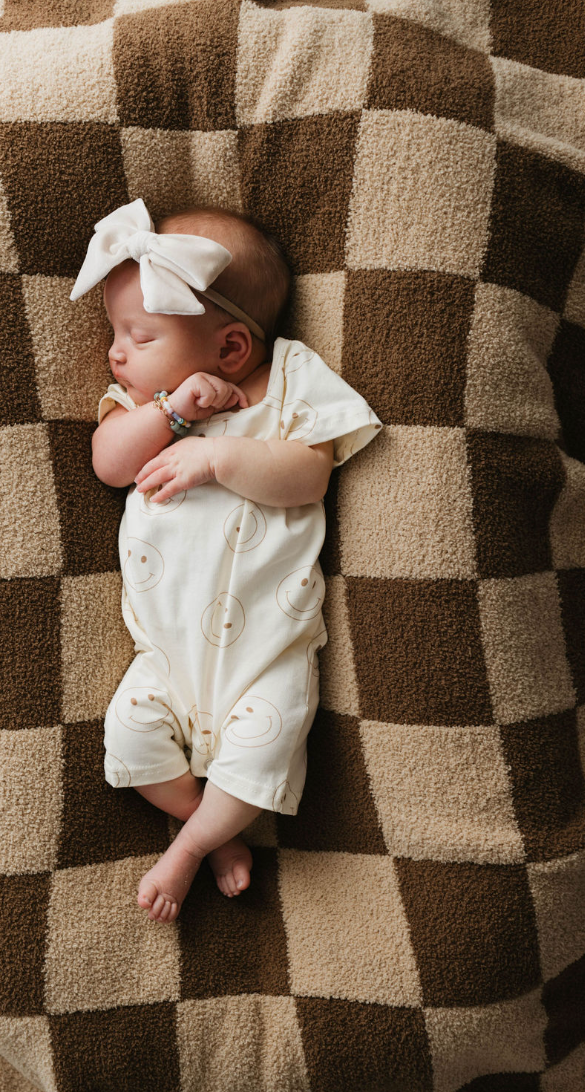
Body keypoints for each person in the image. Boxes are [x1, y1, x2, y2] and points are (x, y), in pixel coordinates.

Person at [75, 198, 383, 924]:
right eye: (117, 334)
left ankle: (187, 848)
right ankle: (210, 831)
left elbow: (309, 476)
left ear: (233, 348)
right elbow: (109, 466)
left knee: (269, 741)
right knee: (128, 731)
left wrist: (218, 455)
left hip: (268, 648)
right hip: (166, 653)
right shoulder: (144, 404)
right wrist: (174, 413)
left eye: (138, 334)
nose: (116, 352)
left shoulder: (286, 383)